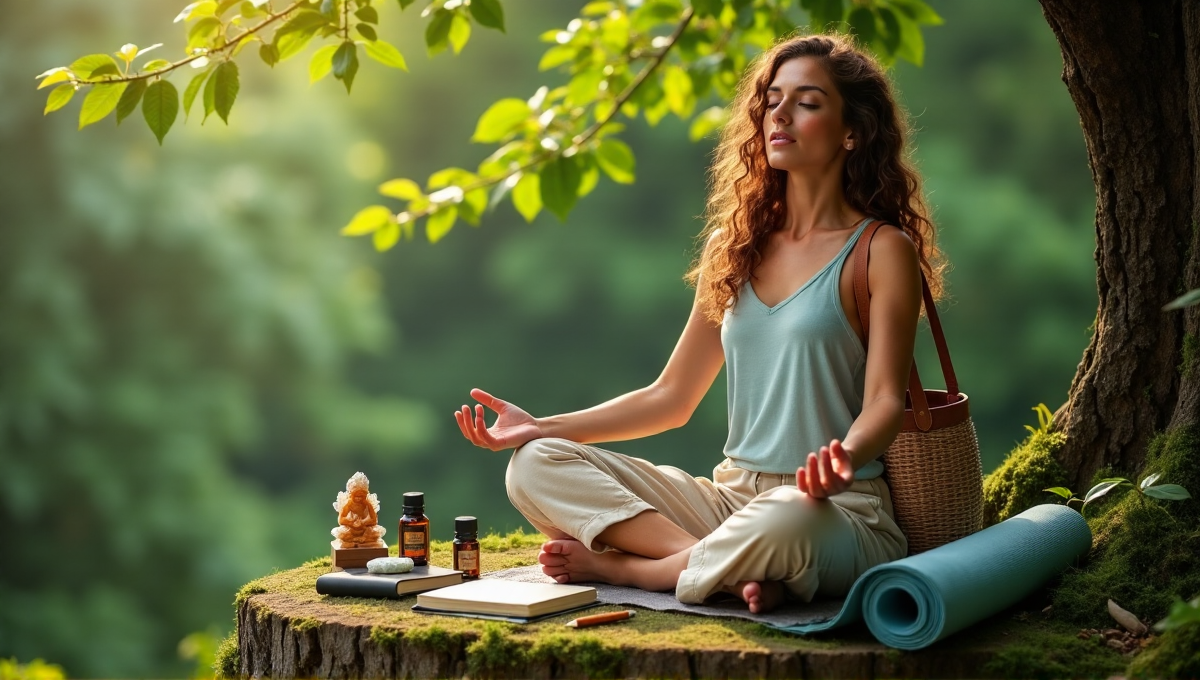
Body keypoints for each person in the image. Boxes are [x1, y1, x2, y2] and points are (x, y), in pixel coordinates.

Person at [454, 33, 944, 614]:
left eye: (807, 102)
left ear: (852, 131)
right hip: (729, 503)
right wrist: (541, 427)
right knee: (535, 466)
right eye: (772, 100)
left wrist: (844, 455)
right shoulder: (733, 248)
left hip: (833, 510)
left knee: (785, 517)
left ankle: (643, 570)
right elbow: (671, 397)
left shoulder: (881, 250)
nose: (780, 114)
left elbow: (885, 399)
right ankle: (723, 565)